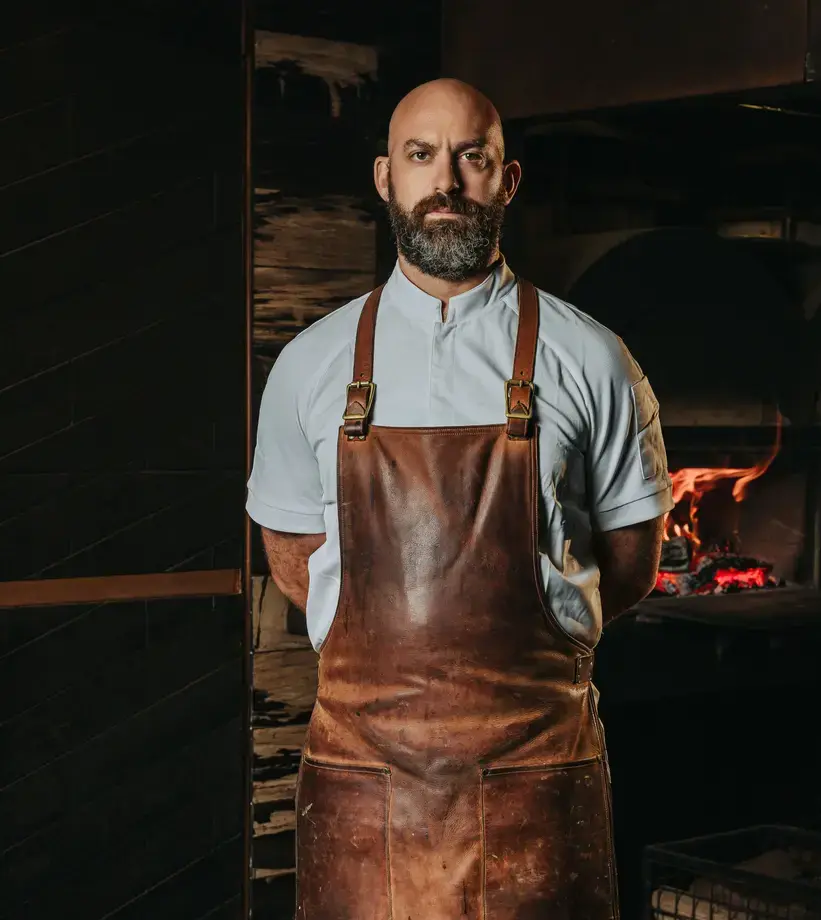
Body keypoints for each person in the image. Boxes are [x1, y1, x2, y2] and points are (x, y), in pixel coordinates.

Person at [247, 78, 673, 920]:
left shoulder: (593, 359)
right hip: (364, 796)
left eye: (471, 156)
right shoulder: (310, 364)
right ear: (386, 177)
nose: (445, 180)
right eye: (421, 155)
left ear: (506, 180)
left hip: (536, 788)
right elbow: (293, 563)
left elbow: (631, 567)